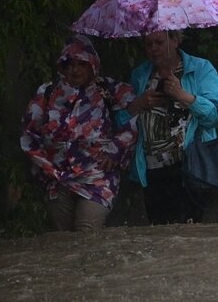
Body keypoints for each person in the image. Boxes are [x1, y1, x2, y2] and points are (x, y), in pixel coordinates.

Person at [20, 35, 139, 231]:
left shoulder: (110, 90)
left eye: (81, 64)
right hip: (58, 179)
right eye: (70, 64)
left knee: (86, 232)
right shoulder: (47, 93)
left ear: (92, 65)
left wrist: (116, 149)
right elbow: (29, 133)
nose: (75, 70)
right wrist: (45, 166)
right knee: (65, 241)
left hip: (97, 176)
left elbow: (136, 116)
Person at [122, 30, 218, 224]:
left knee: (190, 233)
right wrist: (138, 104)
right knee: (160, 234)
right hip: (152, 168)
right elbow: (120, 120)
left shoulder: (201, 69)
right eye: (148, 44)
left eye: (159, 42)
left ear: (176, 40)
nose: (153, 49)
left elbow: (215, 117)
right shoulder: (140, 75)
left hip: (191, 164)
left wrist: (183, 96)